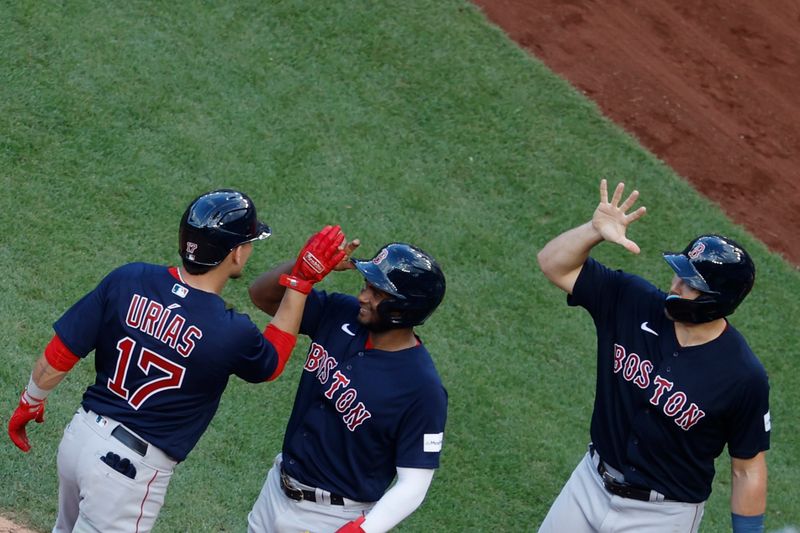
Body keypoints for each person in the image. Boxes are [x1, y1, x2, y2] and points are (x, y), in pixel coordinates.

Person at [7, 189, 346, 533]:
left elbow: (60, 352)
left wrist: (30, 401)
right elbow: (271, 362)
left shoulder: (129, 279)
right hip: (126, 473)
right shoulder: (228, 331)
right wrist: (301, 283)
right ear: (237, 254)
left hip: (79, 439)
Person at [536, 179, 770, 533]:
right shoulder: (632, 301)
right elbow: (554, 265)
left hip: (662, 517)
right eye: (679, 275)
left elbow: (747, 468)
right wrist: (593, 230)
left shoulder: (742, 376)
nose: (675, 286)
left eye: (690, 284)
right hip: (589, 485)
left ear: (717, 300)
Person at [246, 240, 448, 533]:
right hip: (277, 489)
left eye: (376, 293)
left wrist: (364, 530)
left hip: (331, 518)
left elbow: (414, 484)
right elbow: (262, 296)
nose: (363, 296)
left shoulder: (422, 389)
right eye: (366, 285)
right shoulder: (341, 313)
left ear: (401, 310)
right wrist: (302, 270)